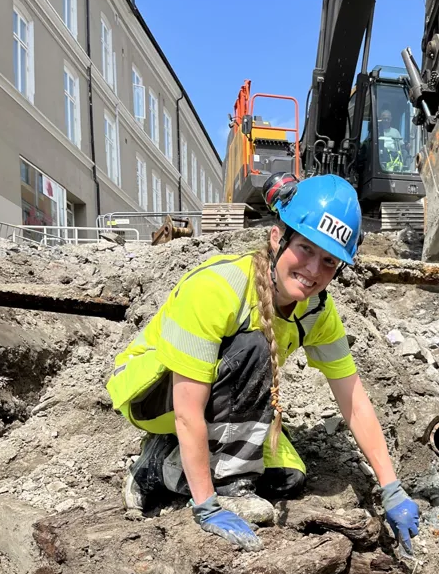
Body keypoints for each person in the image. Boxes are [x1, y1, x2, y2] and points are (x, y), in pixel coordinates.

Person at [106, 173, 420, 553]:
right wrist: (208, 507)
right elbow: (188, 409)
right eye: (305, 248)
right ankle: (227, 484)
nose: (313, 271)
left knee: (289, 478)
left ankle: (158, 466)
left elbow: (352, 398)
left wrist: (392, 488)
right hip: (154, 394)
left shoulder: (317, 311)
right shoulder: (219, 289)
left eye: (329, 261)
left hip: (211, 403)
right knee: (254, 345)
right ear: (277, 238)